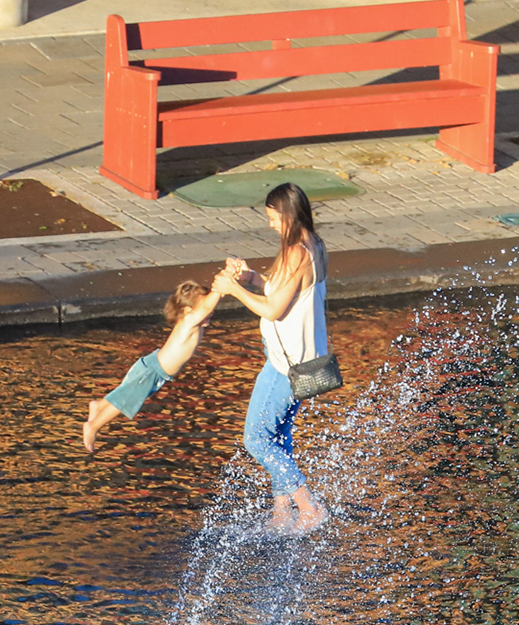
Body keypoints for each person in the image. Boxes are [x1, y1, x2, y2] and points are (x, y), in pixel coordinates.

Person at [216, 181, 332, 533]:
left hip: (287, 365)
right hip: (309, 362)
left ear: (286, 215)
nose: (269, 225)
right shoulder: (314, 245)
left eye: (272, 217)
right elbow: (284, 290)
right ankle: (282, 512)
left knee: (257, 440)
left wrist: (233, 288)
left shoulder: (296, 252)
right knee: (279, 435)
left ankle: (308, 506)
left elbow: (274, 309)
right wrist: (251, 276)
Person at [82, 273, 239, 453]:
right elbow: (206, 305)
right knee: (126, 400)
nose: (211, 312)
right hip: (153, 371)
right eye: (205, 308)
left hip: (154, 368)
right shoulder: (189, 322)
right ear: (188, 310)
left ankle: (99, 405)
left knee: (125, 393)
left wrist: (228, 281)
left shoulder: (194, 321)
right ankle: (93, 427)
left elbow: (207, 304)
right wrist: (220, 289)